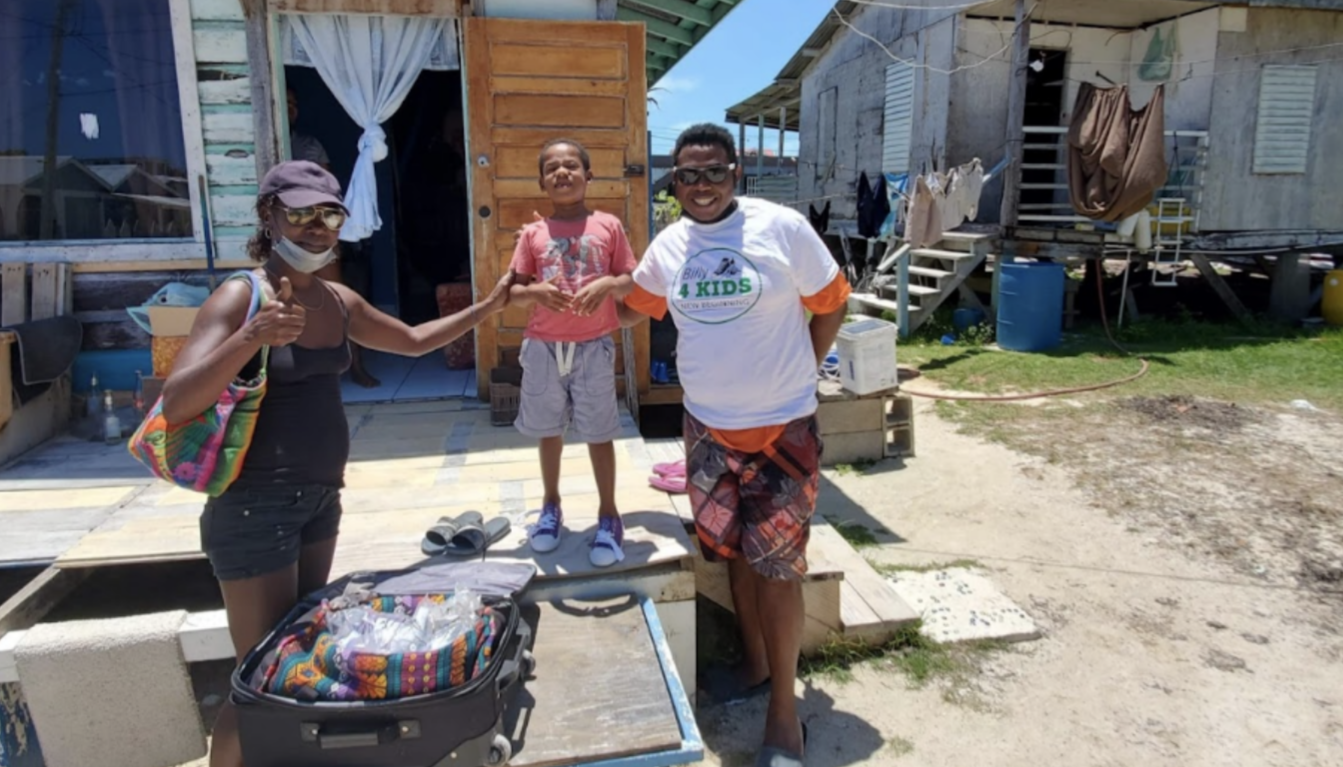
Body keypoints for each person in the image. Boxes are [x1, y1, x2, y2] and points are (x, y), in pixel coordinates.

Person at [160, 161, 514, 767]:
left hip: (320, 503)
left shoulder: (336, 299)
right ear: (269, 216)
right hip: (253, 508)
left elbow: (413, 340)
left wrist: (492, 305)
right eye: (300, 213)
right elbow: (175, 402)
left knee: (296, 660)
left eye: (330, 215)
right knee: (258, 680)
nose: (318, 228)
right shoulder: (242, 296)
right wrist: (252, 338)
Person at [616, 124, 848, 767]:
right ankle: (750, 661)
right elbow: (631, 306)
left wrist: (806, 364)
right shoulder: (670, 245)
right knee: (732, 553)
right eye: (687, 176)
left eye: (713, 172)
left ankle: (784, 714)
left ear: (735, 171)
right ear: (676, 183)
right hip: (708, 431)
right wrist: (569, 291)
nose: (701, 186)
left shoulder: (782, 229)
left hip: (782, 429)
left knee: (778, 567)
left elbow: (831, 302)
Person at [510, 139, 638, 567]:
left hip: (594, 346)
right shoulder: (532, 234)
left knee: (599, 431)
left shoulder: (608, 226)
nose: (562, 173)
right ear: (542, 181)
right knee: (550, 430)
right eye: (552, 168)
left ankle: (608, 514)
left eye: (571, 166)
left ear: (589, 176)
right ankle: (550, 507)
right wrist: (535, 292)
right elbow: (514, 291)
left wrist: (608, 284)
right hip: (544, 347)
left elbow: (631, 278)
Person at [286, 86, 378, 388]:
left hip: (317, 237)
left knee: (335, 299)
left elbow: (327, 192)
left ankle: (356, 365)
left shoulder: (310, 146)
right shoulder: (269, 140)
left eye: (294, 102)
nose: (290, 108)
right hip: (286, 239)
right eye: (285, 102)